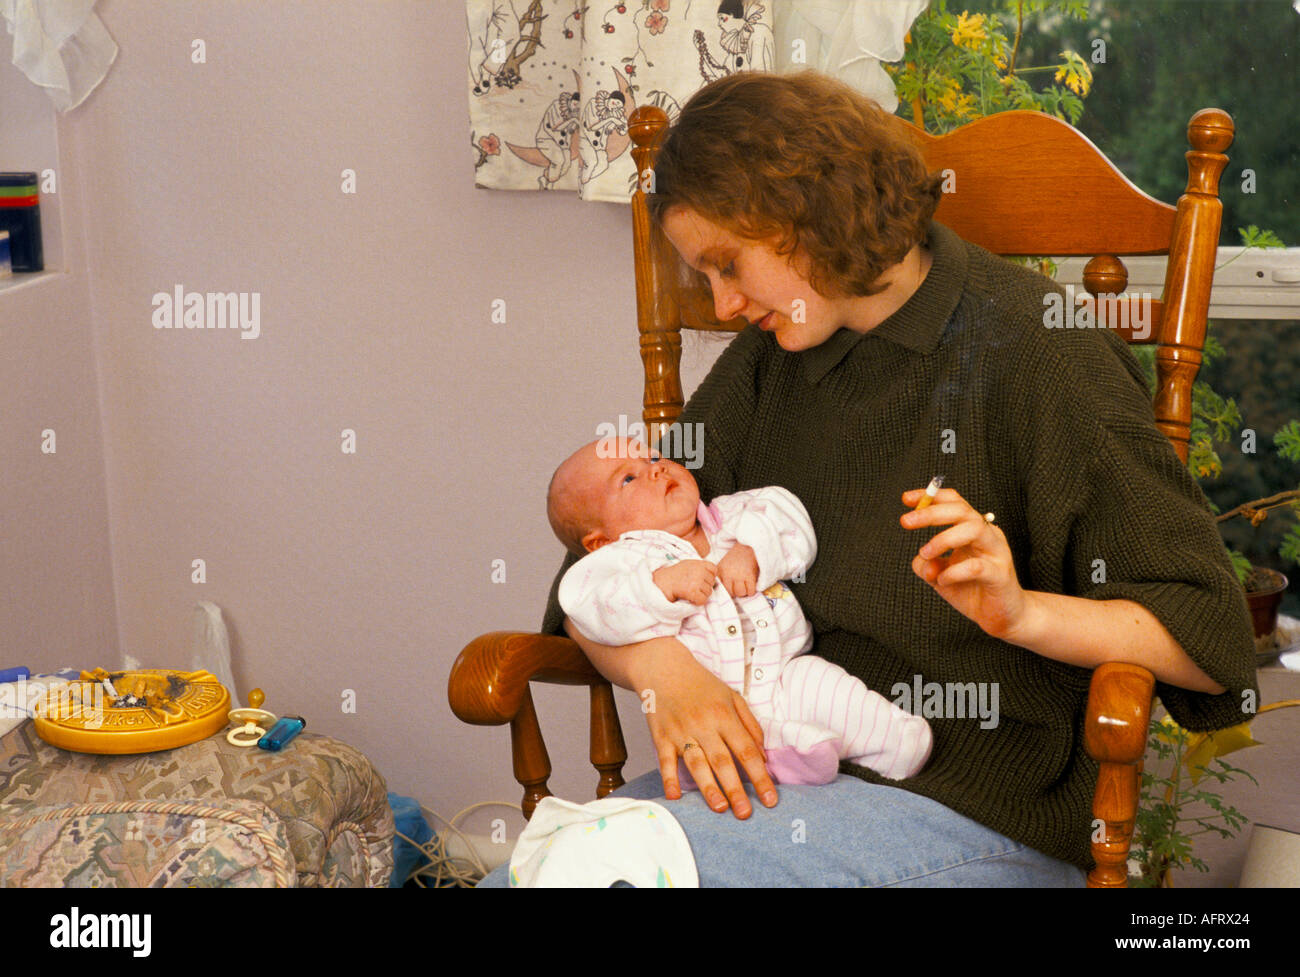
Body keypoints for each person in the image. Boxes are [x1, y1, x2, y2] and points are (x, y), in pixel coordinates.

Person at [483, 70, 1258, 888]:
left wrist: (1024, 612)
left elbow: (1209, 640)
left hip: (973, 808)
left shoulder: (1043, 353)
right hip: (777, 781)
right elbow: (595, 566)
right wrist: (662, 672)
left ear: (803, 210)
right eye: (702, 276)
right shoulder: (766, 369)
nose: (722, 302)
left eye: (727, 264)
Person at [547, 436, 933, 785]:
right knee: (732, 740)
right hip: (712, 701)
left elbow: (787, 518)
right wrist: (660, 587)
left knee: (836, 693)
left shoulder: (731, 516)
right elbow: (590, 606)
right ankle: (786, 753)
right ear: (600, 542)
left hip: (786, 672)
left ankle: (895, 746)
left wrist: (751, 551)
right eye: (628, 479)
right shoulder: (620, 565)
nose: (656, 468)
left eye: (653, 456)